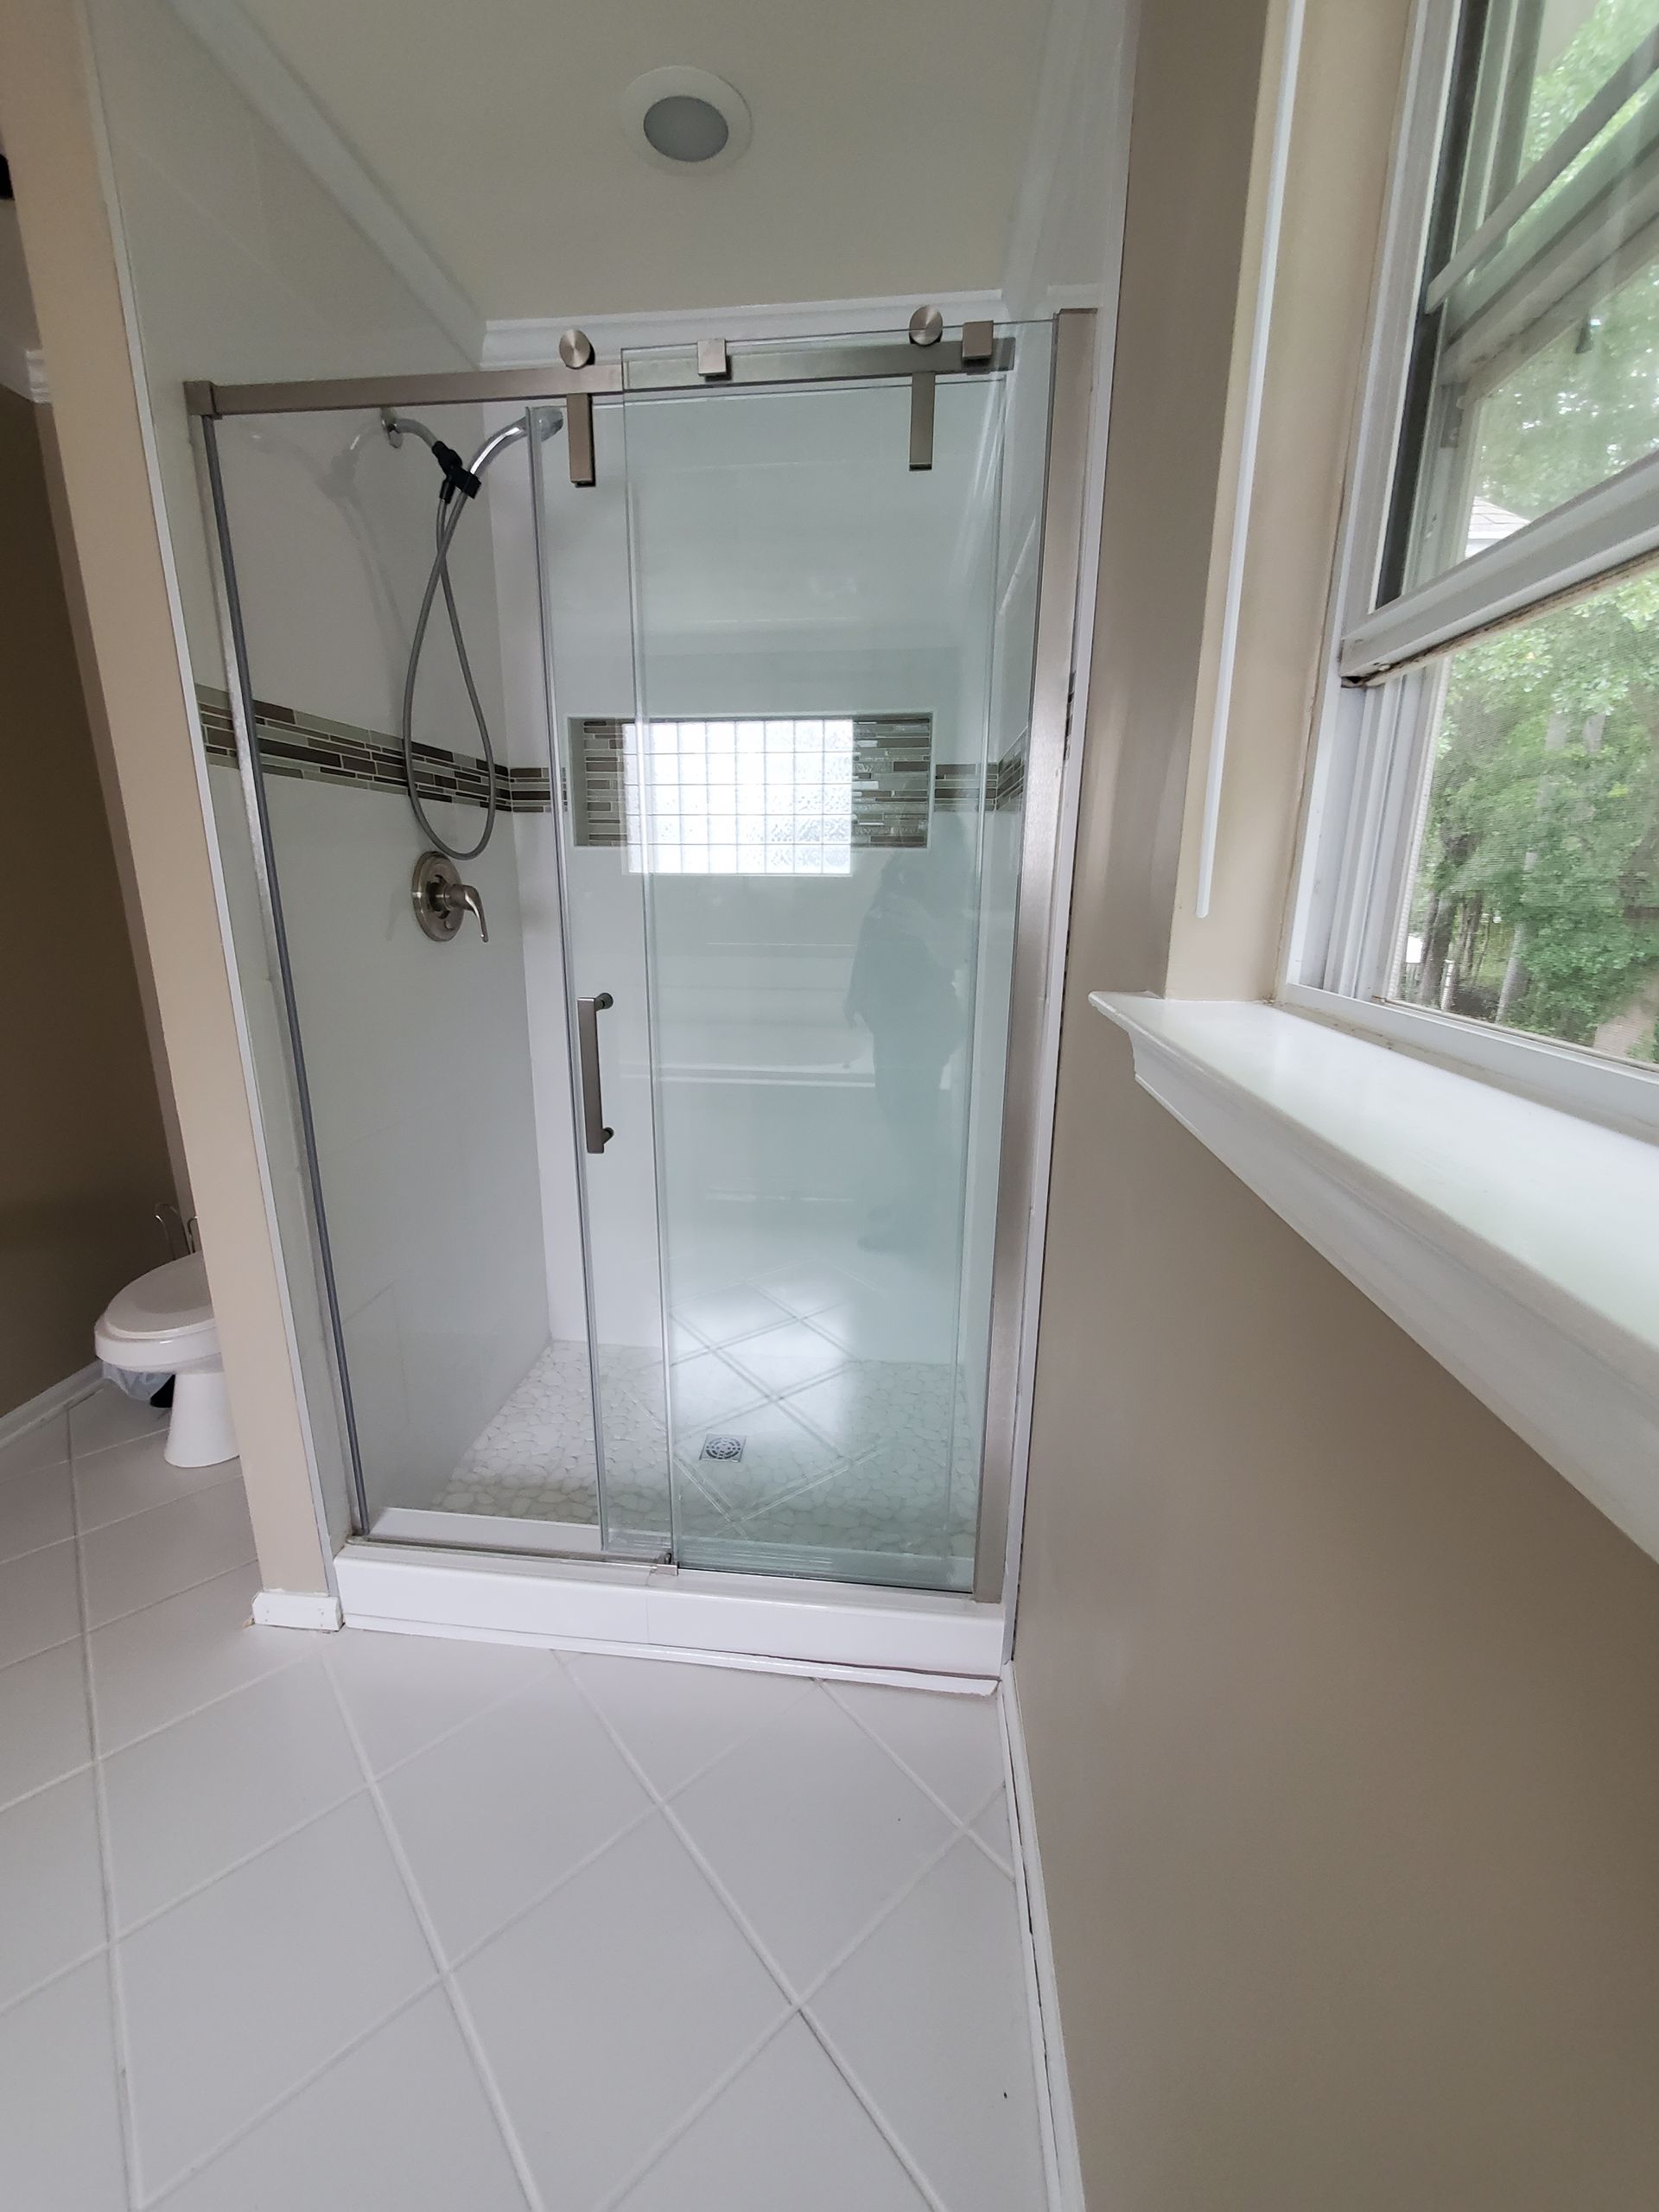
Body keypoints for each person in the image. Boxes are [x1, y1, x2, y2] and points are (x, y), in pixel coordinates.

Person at [844, 816, 972, 1251]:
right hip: (899, 1020)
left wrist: (927, 926)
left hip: (918, 1022)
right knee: (904, 1121)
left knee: (912, 1125)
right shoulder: (910, 857)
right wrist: (855, 995)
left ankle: (916, 1225)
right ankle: (911, 1206)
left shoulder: (945, 868)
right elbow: (876, 935)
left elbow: (959, 949)